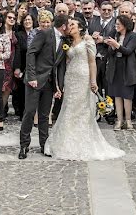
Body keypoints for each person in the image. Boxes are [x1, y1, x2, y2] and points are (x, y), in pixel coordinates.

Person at [42, 18, 124, 160]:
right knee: (69, 109)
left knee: (82, 109)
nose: (70, 26)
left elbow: (92, 62)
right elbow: (65, 61)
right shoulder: (66, 42)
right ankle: (65, 141)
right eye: (69, 25)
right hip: (70, 78)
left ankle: (82, 141)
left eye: (73, 24)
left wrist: (93, 81)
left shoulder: (87, 40)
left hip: (84, 77)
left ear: (80, 28)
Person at [18, 12, 69, 159]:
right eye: (69, 25)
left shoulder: (65, 40)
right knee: (29, 112)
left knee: (44, 115)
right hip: (35, 80)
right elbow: (31, 53)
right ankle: (24, 145)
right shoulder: (44, 33)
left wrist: (58, 86)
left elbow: (58, 66)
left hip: (49, 82)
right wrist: (32, 76)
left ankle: (44, 145)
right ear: (63, 26)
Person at [104, 14, 136, 131]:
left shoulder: (133, 36)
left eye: (118, 24)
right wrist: (112, 46)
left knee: (127, 95)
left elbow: (128, 51)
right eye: (116, 24)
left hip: (127, 68)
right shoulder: (115, 35)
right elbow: (110, 52)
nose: (116, 26)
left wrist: (116, 45)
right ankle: (119, 120)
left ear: (125, 25)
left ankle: (128, 120)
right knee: (117, 94)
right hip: (115, 67)